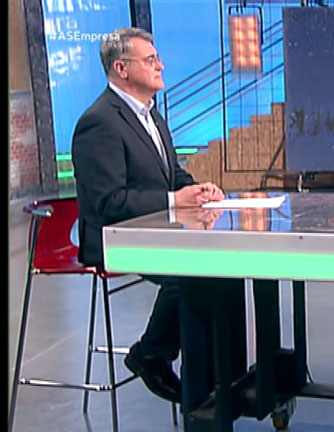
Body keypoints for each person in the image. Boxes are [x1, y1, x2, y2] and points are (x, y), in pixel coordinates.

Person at [71, 27, 246, 411]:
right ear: (121, 68)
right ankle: (156, 356)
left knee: (229, 265)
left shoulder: (151, 114)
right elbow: (108, 203)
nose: (160, 66)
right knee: (195, 272)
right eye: (150, 60)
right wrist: (173, 200)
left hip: (158, 231)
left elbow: (171, 175)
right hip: (116, 239)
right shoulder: (98, 123)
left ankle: (228, 378)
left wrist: (195, 189)